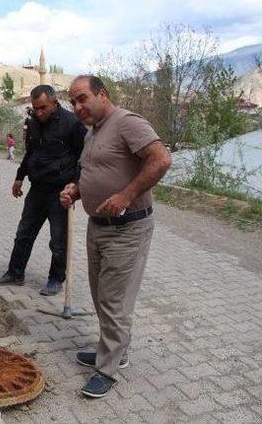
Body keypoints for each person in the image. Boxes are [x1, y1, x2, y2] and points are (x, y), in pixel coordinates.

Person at [60, 75, 171, 398]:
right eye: (73, 102)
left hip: (128, 228)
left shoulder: (127, 123)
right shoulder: (93, 132)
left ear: (102, 94)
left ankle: (107, 369)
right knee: (101, 295)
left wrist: (126, 195)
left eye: (82, 99)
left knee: (114, 301)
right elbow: (95, 172)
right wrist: (76, 190)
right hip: (99, 226)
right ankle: (116, 350)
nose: (78, 107)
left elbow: (161, 160)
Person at [0, 85, 87, 296]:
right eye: (36, 108)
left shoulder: (73, 124)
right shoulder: (34, 123)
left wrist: (76, 186)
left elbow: (85, 158)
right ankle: (15, 273)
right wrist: (19, 176)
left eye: (43, 107)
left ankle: (55, 279)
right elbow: (30, 153)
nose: (39, 112)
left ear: (54, 102)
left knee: (58, 240)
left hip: (60, 192)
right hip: (37, 190)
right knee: (23, 234)